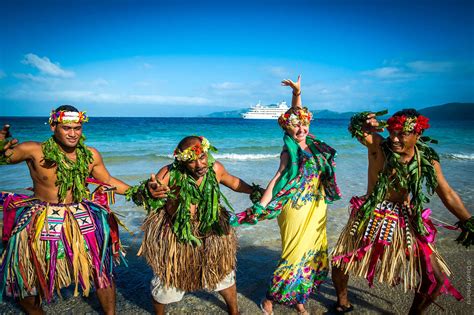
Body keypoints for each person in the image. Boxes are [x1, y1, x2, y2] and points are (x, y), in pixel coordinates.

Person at [331, 109, 473, 314]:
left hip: (405, 218)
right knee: (341, 260)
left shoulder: (427, 161)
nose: (394, 139)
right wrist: (367, 121)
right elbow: (357, 129)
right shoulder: (378, 146)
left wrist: (469, 221)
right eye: (392, 132)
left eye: (402, 134)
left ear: (418, 133)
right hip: (372, 211)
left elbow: (447, 194)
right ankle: (342, 301)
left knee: (436, 278)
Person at [0, 105, 134, 314]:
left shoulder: (90, 154)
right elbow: (6, 157)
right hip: (41, 217)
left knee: (101, 271)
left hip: (81, 216)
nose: (73, 133)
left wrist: (140, 192)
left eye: (77, 128)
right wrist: (1, 144)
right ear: (54, 126)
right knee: (26, 280)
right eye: (66, 128)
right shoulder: (34, 150)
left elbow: (107, 180)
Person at [231, 76, 341, 314]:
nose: (301, 129)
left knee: (313, 253)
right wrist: (261, 206)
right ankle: (270, 299)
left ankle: (299, 299)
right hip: (295, 207)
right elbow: (277, 178)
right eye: (295, 125)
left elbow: (296, 112)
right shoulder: (287, 151)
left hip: (317, 205)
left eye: (304, 124)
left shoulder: (312, 143)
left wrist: (297, 92)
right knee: (294, 254)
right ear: (286, 128)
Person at [126, 135, 261, 315]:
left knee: (222, 274)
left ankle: (234, 311)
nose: (199, 165)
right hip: (177, 233)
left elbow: (234, 183)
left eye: (202, 157)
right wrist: (149, 191)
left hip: (211, 230)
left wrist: (257, 191)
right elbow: (148, 191)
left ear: (206, 153)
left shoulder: (216, 168)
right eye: (191, 161)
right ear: (181, 161)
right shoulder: (168, 173)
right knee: (168, 283)